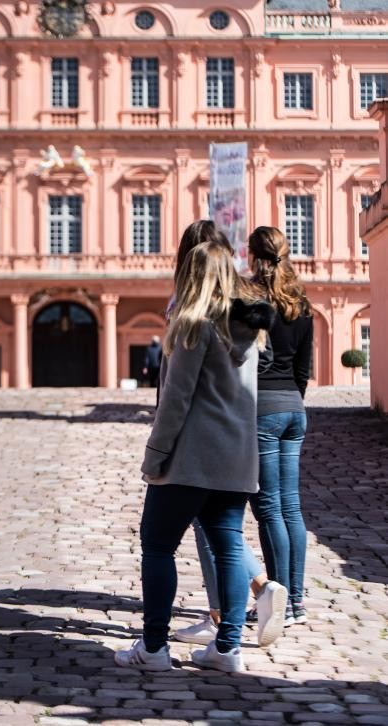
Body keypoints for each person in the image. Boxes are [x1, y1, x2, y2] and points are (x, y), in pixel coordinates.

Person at [115, 241, 274, 673]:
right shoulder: (249, 331)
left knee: (158, 545)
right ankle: (227, 649)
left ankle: (153, 648)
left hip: (191, 459)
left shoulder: (192, 324)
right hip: (236, 458)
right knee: (227, 548)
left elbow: (176, 400)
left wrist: (155, 455)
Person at [166, 221, 287, 649]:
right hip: (241, 437)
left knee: (178, 536)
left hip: (196, 440)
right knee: (226, 530)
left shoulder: (191, 305)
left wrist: (159, 449)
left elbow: (178, 386)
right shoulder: (245, 306)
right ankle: (236, 622)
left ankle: (226, 611)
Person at [247, 226, 313, 625]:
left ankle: (282, 603)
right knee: (291, 507)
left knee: (269, 509)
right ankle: (298, 601)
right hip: (294, 409)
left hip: (264, 411)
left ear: (253, 256)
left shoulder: (254, 300)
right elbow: (303, 369)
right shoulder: (301, 303)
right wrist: (292, 400)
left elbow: (256, 361)